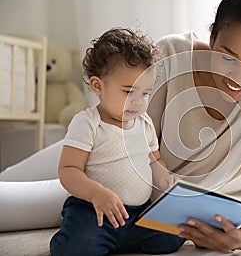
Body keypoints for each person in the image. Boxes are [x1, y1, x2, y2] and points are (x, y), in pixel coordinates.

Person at [0, 0, 241, 253]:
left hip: (141, 204)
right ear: (212, 37)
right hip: (97, 155)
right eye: (228, 57)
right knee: (8, 196)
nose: (240, 77)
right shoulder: (169, 55)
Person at [49, 28, 185, 255]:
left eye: (145, 93)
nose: (139, 102)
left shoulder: (144, 123)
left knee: (174, 234)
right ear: (98, 86)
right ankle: (70, 236)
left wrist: (166, 180)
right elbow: (68, 170)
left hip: (137, 213)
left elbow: (154, 160)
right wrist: (96, 194)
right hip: (94, 210)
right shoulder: (88, 123)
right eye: (129, 92)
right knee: (80, 246)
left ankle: (119, 240)